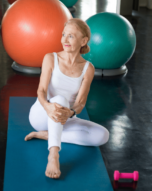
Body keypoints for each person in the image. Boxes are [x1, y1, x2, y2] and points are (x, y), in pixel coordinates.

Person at [25, 18, 110, 179]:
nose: (64, 40)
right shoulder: (50, 58)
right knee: (60, 100)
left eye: (70, 36)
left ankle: (46, 135)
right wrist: (48, 106)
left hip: (64, 117)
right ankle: (54, 155)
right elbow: (41, 91)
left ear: (83, 40)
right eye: (63, 35)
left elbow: (80, 103)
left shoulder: (88, 68)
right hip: (41, 113)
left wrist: (70, 113)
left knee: (102, 135)